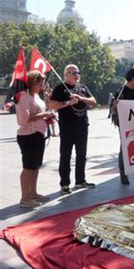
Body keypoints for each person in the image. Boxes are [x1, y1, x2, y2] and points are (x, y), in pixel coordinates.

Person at [49, 64, 97, 194]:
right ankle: (65, 184)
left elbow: (93, 101)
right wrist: (68, 103)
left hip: (82, 125)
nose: (77, 75)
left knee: (82, 155)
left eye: (78, 72)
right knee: (66, 155)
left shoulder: (82, 87)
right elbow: (52, 104)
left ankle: (80, 181)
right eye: (74, 73)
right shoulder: (60, 88)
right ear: (66, 74)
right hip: (67, 127)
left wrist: (81, 98)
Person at [16, 71, 56, 207]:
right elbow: (25, 119)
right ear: (33, 83)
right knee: (28, 167)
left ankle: (33, 193)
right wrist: (45, 114)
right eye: (40, 83)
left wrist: (47, 117)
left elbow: (38, 115)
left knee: (35, 166)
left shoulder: (36, 96)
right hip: (28, 136)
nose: (42, 86)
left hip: (39, 134)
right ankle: (24, 198)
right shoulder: (23, 97)